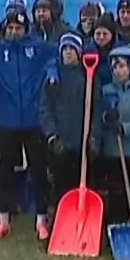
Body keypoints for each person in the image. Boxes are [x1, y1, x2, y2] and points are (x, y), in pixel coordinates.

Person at [0, 6, 55, 238]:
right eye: (11, 28)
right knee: (3, 171)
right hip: (7, 120)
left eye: (19, 28)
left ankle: (41, 219)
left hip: (34, 121)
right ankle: (3, 220)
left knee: (38, 170)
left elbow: (60, 54)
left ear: (26, 29)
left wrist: (53, 71)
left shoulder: (38, 48)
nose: (14, 32)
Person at [92, 47, 130, 227]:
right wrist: (107, 119)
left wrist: (125, 128)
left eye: (122, 66)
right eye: (115, 67)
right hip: (114, 152)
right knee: (116, 193)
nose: (118, 71)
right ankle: (117, 227)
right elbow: (98, 117)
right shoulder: (106, 92)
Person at [38, 33, 94, 232]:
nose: (68, 52)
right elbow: (44, 109)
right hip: (60, 142)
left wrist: (94, 137)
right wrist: (52, 136)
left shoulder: (87, 77)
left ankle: (83, 224)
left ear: (79, 53)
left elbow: (95, 110)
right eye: (65, 49)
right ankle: (58, 224)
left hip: (81, 143)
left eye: (72, 49)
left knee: (82, 184)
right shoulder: (53, 78)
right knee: (59, 185)